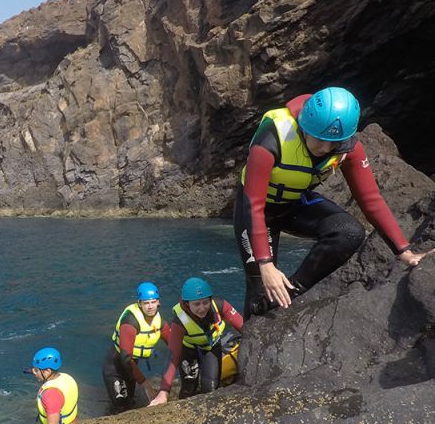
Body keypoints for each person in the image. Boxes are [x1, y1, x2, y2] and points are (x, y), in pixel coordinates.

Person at [234, 86, 433, 318]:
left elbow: (370, 199)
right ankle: (246, 339)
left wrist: (405, 252)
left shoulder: (348, 148)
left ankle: (292, 291)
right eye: (320, 139)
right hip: (257, 210)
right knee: (259, 289)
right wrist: (266, 264)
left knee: (349, 233)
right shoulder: (272, 137)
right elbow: (253, 203)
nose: (325, 149)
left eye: (334, 142)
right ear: (305, 126)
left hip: (295, 204)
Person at [149, 278, 243, 404]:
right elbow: (173, 356)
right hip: (188, 349)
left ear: (210, 299)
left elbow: (245, 327)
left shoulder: (220, 305)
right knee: (189, 388)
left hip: (211, 346)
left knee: (210, 388)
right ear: (187, 304)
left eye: (205, 302)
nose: (202, 308)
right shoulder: (180, 321)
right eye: (197, 304)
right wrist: (164, 392)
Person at [102, 282, 183, 413]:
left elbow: (175, 345)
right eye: (146, 303)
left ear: (158, 303)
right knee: (121, 407)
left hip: (131, 369)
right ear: (139, 304)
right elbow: (126, 359)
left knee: (131, 402)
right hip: (116, 368)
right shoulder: (130, 322)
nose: (150, 307)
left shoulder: (160, 323)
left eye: (153, 302)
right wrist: (145, 384)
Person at [27, 347, 78, 424]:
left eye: (36, 370)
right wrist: (34, 370)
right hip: (73, 423)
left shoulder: (51, 394)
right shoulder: (66, 377)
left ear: (47, 371)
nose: (34, 372)